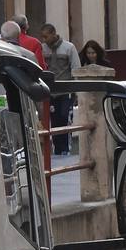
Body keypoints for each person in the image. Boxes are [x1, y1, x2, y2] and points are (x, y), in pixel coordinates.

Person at [39, 24, 82, 156]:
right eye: (43, 37)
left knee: (64, 117)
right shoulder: (42, 48)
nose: (44, 39)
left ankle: (64, 149)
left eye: (46, 36)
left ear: (53, 33)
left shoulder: (69, 48)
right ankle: (57, 149)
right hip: (49, 91)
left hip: (65, 91)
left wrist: (77, 91)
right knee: (52, 119)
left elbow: (76, 68)